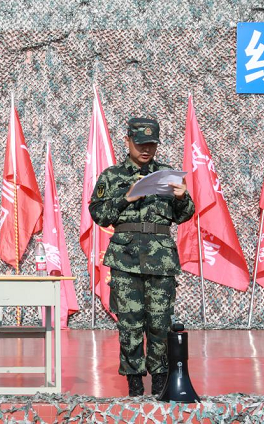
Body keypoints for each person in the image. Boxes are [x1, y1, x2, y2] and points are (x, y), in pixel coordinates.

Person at [89, 117, 195, 397]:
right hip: (126, 259)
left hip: (161, 260)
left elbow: (185, 215)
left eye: (151, 144)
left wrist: (182, 197)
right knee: (130, 324)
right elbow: (99, 214)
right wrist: (127, 197)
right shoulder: (112, 176)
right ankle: (134, 383)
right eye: (140, 144)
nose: (146, 150)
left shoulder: (168, 175)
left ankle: (160, 381)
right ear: (127, 141)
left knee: (160, 323)